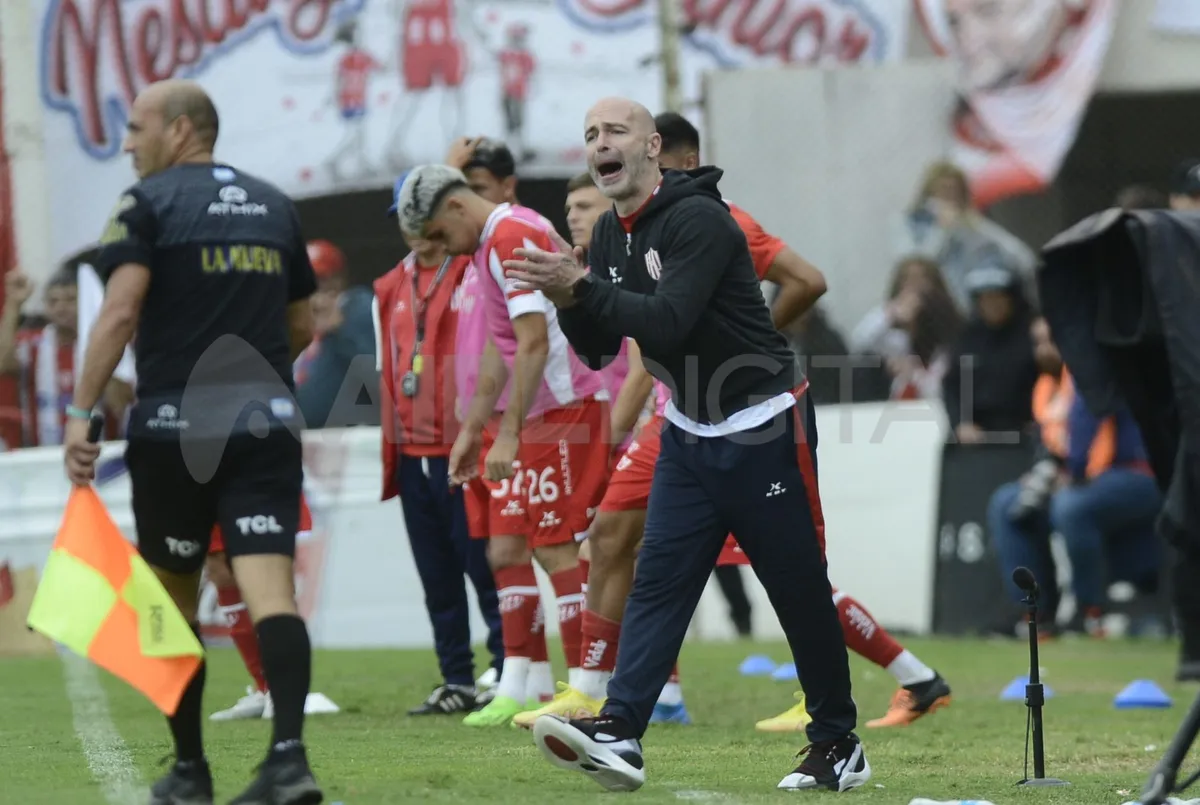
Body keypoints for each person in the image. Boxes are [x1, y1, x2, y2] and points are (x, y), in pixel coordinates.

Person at [515, 120, 950, 734]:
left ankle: (892, 684)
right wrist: (575, 296)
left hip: (748, 416)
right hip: (680, 419)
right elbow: (622, 341)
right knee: (621, 544)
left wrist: (746, 353)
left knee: (793, 577)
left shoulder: (715, 222)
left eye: (584, 204)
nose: (578, 215)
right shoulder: (616, 237)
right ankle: (611, 704)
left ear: (666, 156)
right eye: (572, 205)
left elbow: (789, 287)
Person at [62, 79, 322, 804]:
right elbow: (300, 326)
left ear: (181, 130)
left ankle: (190, 771)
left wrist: (82, 413)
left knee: (173, 600)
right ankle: (289, 760)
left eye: (137, 127)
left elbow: (119, 310)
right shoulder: (274, 204)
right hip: (267, 420)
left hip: (177, 426)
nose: (125, 144)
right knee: (272, 589)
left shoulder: (144, 206)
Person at [394, 163, 611, 728]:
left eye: (440, 235)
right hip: (538, 411)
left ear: (457, 209)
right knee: (513, 548)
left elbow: (535, 341)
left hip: (563, 408)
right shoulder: (494, 239)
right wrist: (474, 429)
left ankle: (587, 687)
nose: (442, 249)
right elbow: (503, 340)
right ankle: (533, 682)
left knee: (559, 546)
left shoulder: (510, 236)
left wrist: (509, 432)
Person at [374, 175, 505, 715]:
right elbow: (387, 366)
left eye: (424, 224)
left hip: (463, 446)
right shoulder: (387, 288)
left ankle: (506, 665)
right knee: (436, 575)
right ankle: (456, 677)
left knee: (485, 565)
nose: (417, 235)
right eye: (406, 224)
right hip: (410, 452)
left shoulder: (474, 268)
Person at [987, 318, 1162, 636]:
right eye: (1037, 342)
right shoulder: (1047, 387)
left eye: (1050, 340)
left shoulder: (1096, 370)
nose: (1044, 350)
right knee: (1007, 502)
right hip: (1075, 480)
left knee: (1072, 506)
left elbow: (1086, 434)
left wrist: (1069, 476)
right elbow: (1051, 446)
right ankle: (1033, 613)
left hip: (1136, 474)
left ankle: (1089, 610)